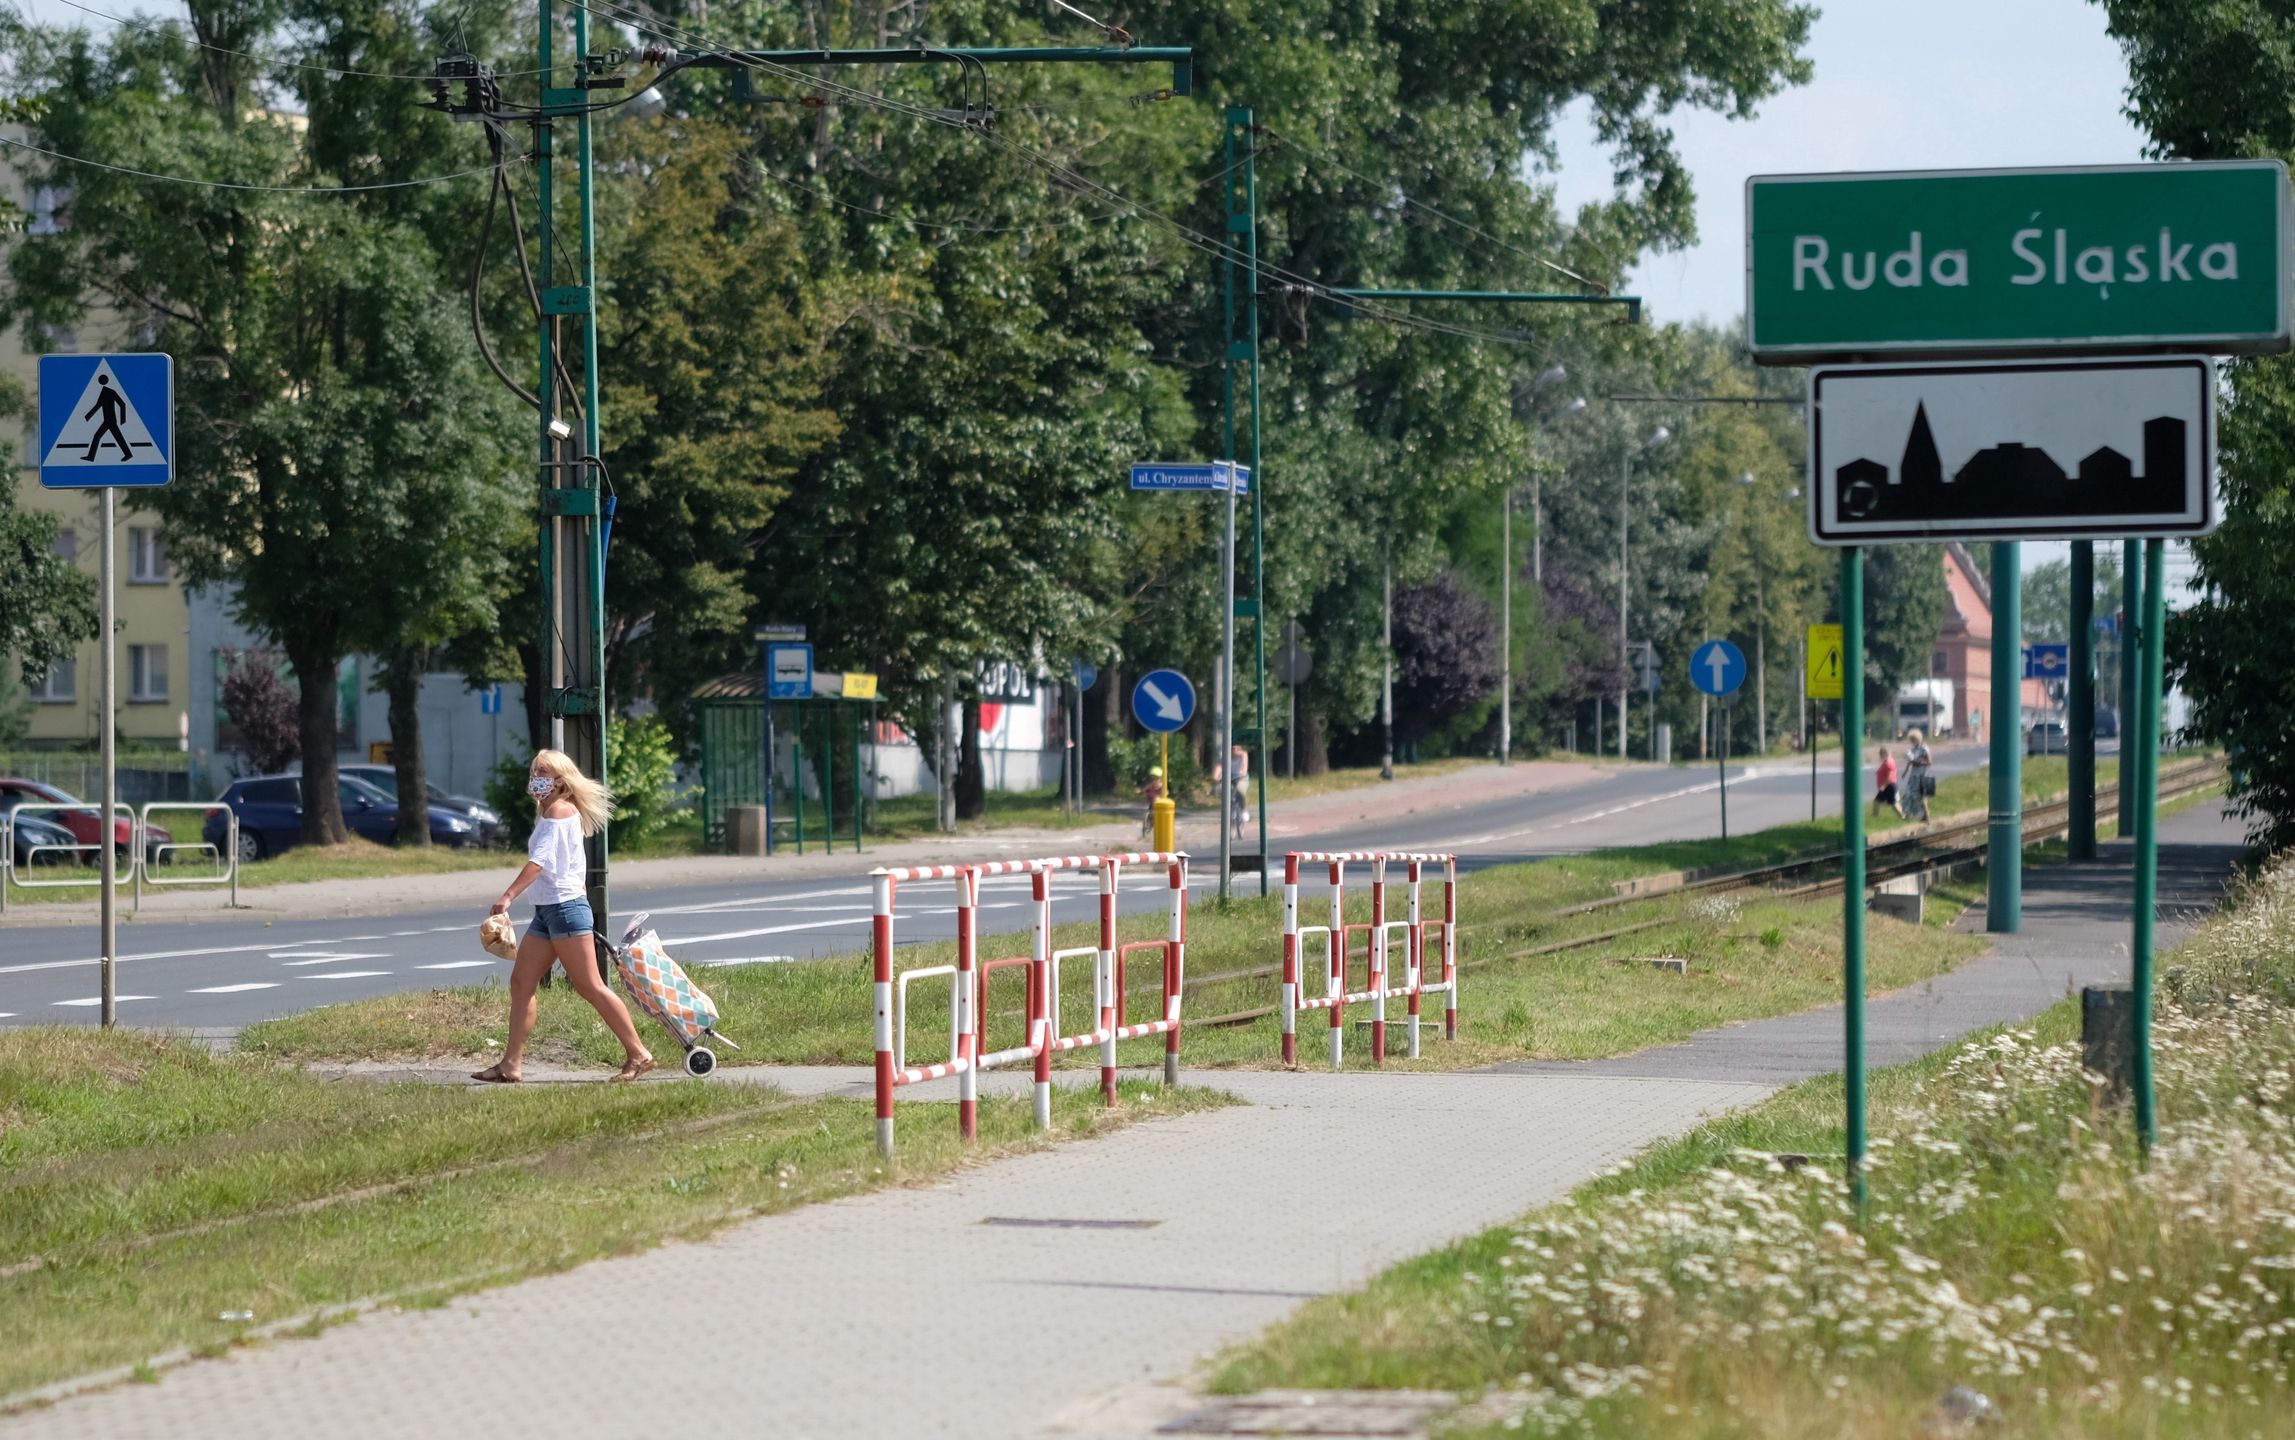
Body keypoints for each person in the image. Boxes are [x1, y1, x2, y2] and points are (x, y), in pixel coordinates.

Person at [472, 749, 654, 1084]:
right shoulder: (548, 813)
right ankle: (511, 1064)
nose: (535, 778)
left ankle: (638, 1053)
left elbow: (539, 862)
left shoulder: (559, 811)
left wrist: (508, 896)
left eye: (543, 772)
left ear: (560, 780)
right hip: (548, 913)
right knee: (521, 983)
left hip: (567, 910)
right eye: (534, 771)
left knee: (590, 986)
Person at [1901, 728, 1934, 822]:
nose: (1912, 742)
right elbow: (1910, 762)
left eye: (1913, 740)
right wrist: (1905, 772)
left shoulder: (1924, 748)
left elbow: (1929, 762)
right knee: (1910, 795)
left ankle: (1927, 816)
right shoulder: (1912, 750)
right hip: (1914, 776)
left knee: (1921, 796)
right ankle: (1916, 814)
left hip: (1923, 774)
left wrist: (1917, 761)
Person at [1139, 765, 1165, 838]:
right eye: (1152, 778)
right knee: (1148, 808)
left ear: (1160, 778)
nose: (1154, 780)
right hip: (1151, 801)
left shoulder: (1162, 786)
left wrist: (1162, 796)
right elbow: (1144, 789)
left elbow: (1166, 792)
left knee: (1156, 801)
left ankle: (1155, 823)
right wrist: (1141, 792)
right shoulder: (1150, 785)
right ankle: (1147, 822)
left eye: (1156, 778)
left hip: (1158, 804)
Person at [1874, 746, 1899, 815]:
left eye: (1880, 753)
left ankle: (1903, 816)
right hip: (1888, 785)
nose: (1879, 755)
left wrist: (1883, 787)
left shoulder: (1889, 762)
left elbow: (1889, 777)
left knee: (1892, 803)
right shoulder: (1886, 762)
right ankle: (1903, 816)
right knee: (1892, 803)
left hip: (1889, 786)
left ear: (1884, 753)